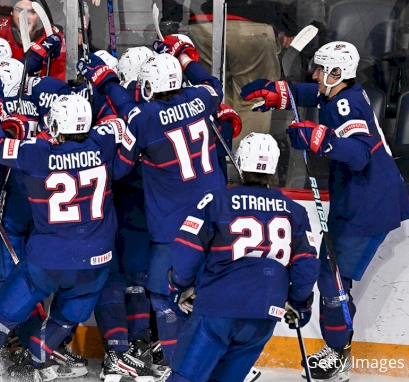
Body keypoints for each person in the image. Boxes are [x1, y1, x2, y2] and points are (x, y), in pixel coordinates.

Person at [241, 41, 409, 381]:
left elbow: (359, 154)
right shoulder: (340, 93)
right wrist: (281, 92)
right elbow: (315, 93)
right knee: (329, 274)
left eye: (320, 69)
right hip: (363, 198)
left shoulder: (345, 107)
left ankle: (338, 354)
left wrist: (322, 139)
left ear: (337, 73)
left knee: (332, 281)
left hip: (367, 206)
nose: (314, 74)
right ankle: (338, 348)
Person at [0, 77, 124, 381]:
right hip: (95, 263)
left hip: (48, 260)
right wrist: (97, 84)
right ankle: (39, 357)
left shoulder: (37, 154)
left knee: (1, 319)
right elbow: (116, 120)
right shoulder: (103, 143)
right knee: (61, 320)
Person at [79, 36, 224, 370]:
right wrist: (185, 57)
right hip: (216, 218)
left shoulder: (145, 118)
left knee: (162, 295)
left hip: (176, 224)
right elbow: (211, 83)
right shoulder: (200, 99)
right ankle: (209, 362)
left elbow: (120, 166)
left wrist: (105, 81)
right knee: (202, 294)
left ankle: (179, 370)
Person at [166, 133, 319, 381]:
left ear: (238, 161)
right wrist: (299, 302)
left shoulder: (215, 201)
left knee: (185, 377)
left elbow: (187, 249)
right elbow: (307, 265)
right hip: (264, 314)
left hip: (218, 307)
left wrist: (180, 287)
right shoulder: (295, 211)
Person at [171, 0, 298, 146]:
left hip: (204, 21)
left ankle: (215, 156)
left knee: (211, 94)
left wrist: (170, 20)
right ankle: (245, 161)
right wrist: (288, 25)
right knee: (255, 98)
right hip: (252, 21)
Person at [0, 0, 66, 81]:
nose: (26, 16)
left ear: (40, 16)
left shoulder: (53, 35)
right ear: (11, 12)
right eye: (20, 10)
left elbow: (57, 78)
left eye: (32, 12)